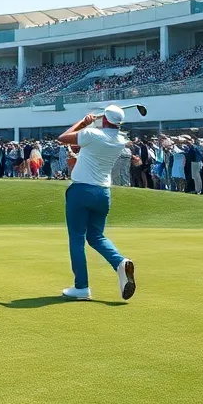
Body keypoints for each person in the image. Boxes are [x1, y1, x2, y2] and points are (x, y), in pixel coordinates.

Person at [55, 106, 136, 301]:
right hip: (103, 193)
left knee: (77, 238)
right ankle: (120, 262)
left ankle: (81, 287)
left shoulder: (92, 133)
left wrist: (83, 122)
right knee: (96, 236)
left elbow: (63, 138)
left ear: (105, 119)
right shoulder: (120, 140)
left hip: (81, 191)